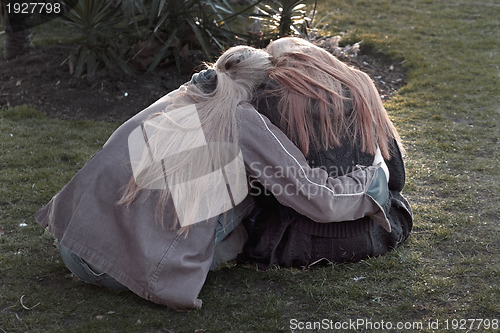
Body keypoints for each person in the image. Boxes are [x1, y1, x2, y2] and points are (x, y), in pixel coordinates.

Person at [35, 45, 390, 310]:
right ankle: (179, 264)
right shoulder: (243, 118)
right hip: (115, 271)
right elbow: (317, 199)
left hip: (73, 244)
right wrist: (372, 181)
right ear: (267, 89)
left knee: (202, 183)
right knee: (251, 198)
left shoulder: (185, 93)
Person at [241, 37, 413, 269]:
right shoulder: (361, 84)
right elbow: (396, 177)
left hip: (293, 239)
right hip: (378, 232)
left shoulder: (266, 98)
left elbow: (264, 190)